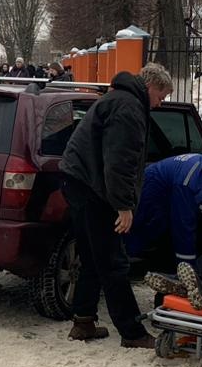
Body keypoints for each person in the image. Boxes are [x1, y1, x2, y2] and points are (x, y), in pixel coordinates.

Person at [60, 63, 174, 349]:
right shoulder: (129, 110)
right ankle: (132, 332)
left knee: (92, 256)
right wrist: (124, 207)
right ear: (150, 88)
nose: (160, 104)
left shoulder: (117, 99)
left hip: (78, 183)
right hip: (94, 190)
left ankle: (83, 321)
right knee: (113, 262)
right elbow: (119, 163)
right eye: (161, 97)